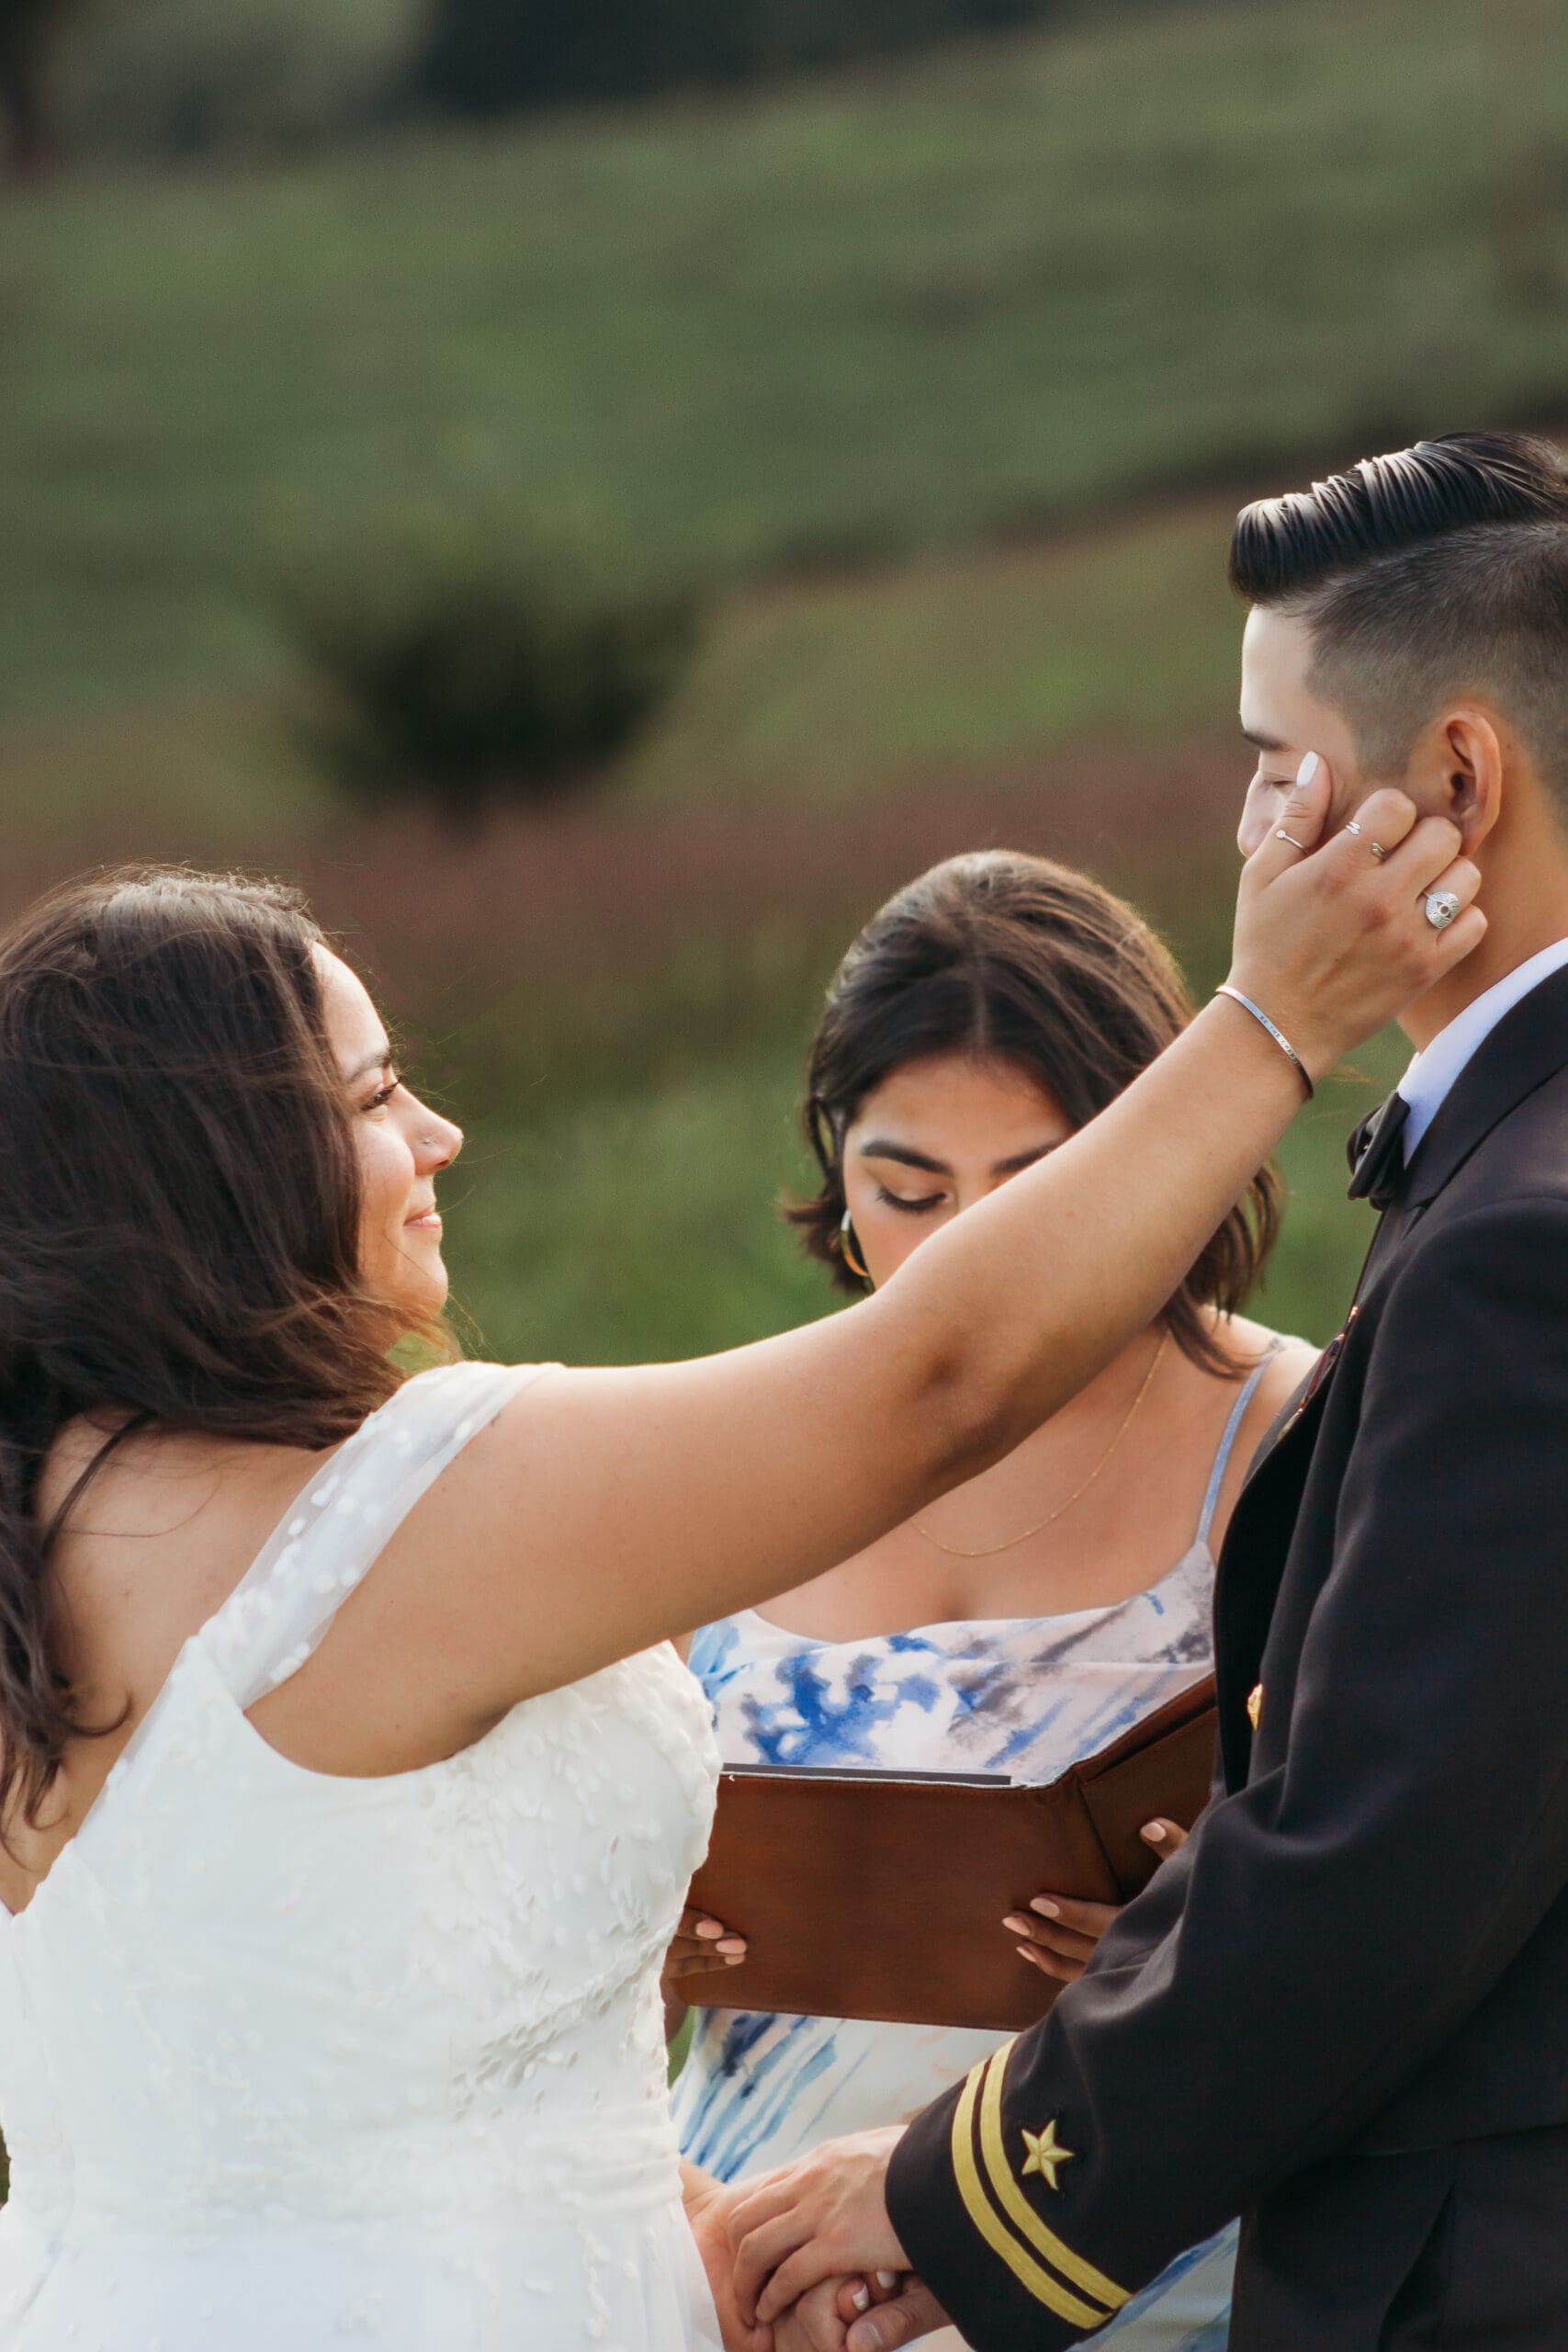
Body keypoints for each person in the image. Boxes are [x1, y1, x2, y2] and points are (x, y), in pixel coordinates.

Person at [0, 804, 1469, 2351]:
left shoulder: (50, 1529)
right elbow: (937, 1384)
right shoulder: (392, 1507)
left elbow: (284, 2053)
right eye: (373, 1098)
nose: (440, 1133)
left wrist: (670, 2227)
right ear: (225, 1173)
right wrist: (1278, 1014)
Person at [727, 430, 1568, 2352]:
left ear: (1449, 783)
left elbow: (1375, 1871)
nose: (1248, 829)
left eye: (1275, 767)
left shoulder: (1525, 1237)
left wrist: (945, 2189)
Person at [669, 850, 1315, 2351]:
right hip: (750, 2269)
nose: (968, 1256)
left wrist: (1180, 1954)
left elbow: (1407, 1891)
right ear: (837, 1177)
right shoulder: (736, 1447)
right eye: (907, 1191)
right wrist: (633, 1953)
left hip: (1137, 2268)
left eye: (1040, 1193)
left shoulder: (1294, 1438)